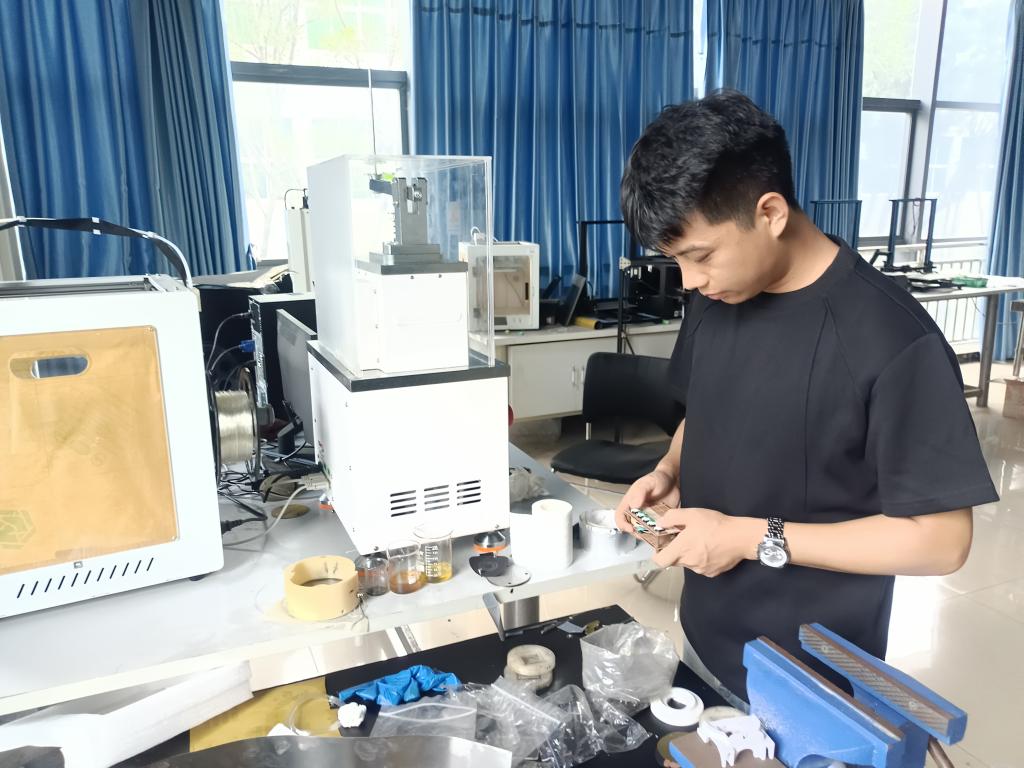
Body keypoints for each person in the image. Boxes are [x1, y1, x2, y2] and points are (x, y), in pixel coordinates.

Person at [615, 90, 998, 704]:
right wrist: (668, 472)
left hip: (811, 675)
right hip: (703, 635)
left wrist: (747, 537)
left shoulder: (894, 340)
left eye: (700, 255)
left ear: (769, 212)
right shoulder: (716, 298)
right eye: (675, 260)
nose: (690, 280)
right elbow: (701, 414)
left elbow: (942, 541)